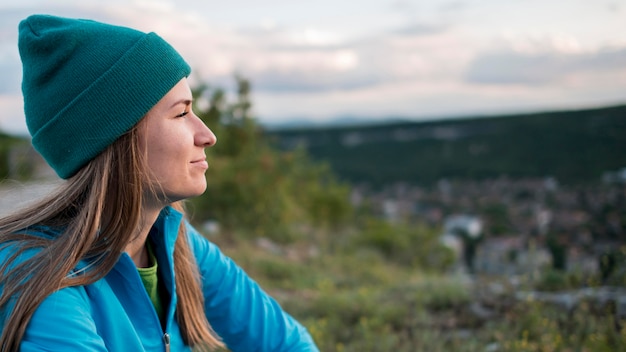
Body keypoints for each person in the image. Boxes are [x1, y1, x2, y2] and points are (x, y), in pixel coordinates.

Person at [0, 14, 319, 351]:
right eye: (181, 113)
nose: (207, 136)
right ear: (117, 140)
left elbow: (289, 343)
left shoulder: (174, 241)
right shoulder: (44, 279)